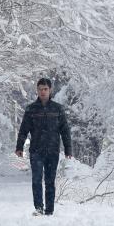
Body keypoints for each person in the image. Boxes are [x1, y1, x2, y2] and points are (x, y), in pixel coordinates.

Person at [15, 78, 73, 216]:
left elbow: (65, 130)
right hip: (36, 150)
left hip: (53, 150)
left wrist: (68, 149)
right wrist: (19, 147)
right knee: (36, 180)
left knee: (50, 181)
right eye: (40, 89)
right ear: (37, 90)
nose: (43, 91)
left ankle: (49, 210)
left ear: (50, 90)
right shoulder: (31, 109)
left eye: (45, 89)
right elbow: (24, 130)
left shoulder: (58, 109)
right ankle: (39, 208)